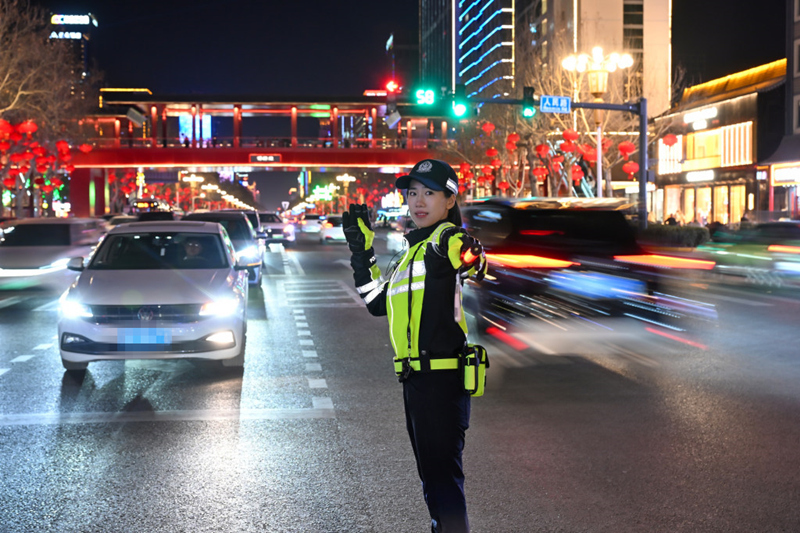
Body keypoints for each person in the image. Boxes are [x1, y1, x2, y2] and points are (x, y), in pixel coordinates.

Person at [343, 159, 486, 533]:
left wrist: (470, 253)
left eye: (429, 193)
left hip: (443, 381)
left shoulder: (443, 241)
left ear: (449, 200)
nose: (418, 201)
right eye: (412, 193)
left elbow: (469, 258)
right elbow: (376, 302)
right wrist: (363, 253)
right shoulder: (410, 253)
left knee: (443, 480)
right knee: (432, 480)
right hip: (415, 383)